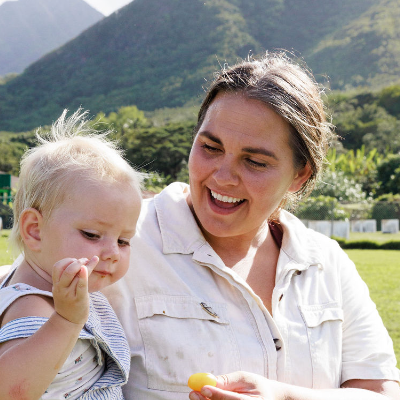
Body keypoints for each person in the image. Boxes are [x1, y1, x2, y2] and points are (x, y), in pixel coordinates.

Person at [102, 51, 400, 400]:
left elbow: (380, 392)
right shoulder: (116, 242)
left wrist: (284, 397)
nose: (223, 177)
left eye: (255, 162)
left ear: (300, 175)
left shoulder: (326, 264)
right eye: (210, 147)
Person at [0, 109, 143, 399]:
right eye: (91, 235)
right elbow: (11, 390)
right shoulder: (35, 306)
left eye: (124, 241)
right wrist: (67, 321)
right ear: (35, 231)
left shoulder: (61, 293)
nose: (113, 253)